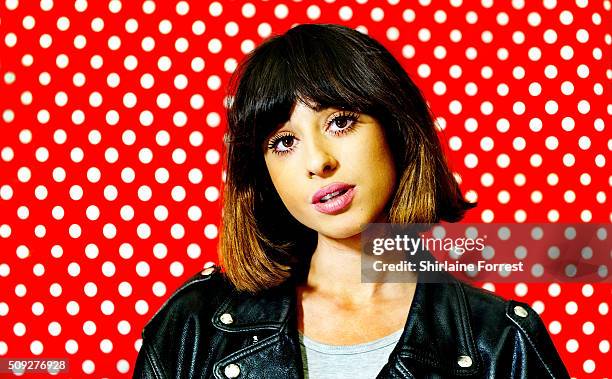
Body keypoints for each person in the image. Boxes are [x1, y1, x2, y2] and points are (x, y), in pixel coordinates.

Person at [133, 24, 569, 379]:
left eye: (340, 122)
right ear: (264, 175)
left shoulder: (499, 343)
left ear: (396, 130)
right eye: (284, 142)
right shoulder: (193, 326)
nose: (319, 161)